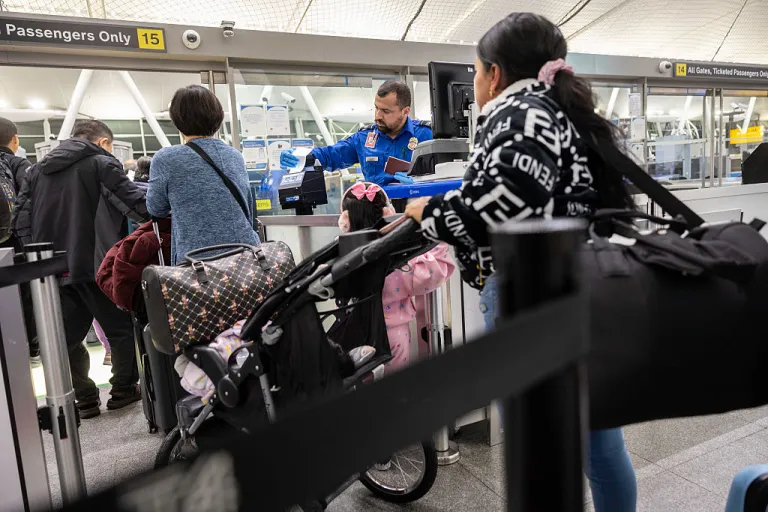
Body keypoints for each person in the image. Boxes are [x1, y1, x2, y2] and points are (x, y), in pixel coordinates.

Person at [403, 13, 637, 512]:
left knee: (539, 436)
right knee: (598, 438)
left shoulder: (519, 112)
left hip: (531, 292)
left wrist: (429, 212)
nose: (473, 83)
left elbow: (506, 203)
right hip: (578, 280)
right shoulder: (556, 109)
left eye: (475, 72)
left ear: (495, 73)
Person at [13, 120, 148, 418]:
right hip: (95, 263)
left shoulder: (36, 170)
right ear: (102, 142)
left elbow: (19, 218)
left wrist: (39, 255)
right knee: (120, 329)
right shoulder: (100, 163)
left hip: (53, 268)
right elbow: (137, 205)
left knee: (66, 337)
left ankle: (85, 397)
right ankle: (123, 390)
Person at [338, 182, 455, 372]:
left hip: (352, 335)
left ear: (345, 220)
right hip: (394, 335)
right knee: (393, 389)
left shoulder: (340, 255)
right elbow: (432, 275)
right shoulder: (396, 258)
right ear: (388, 214)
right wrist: (437, 235)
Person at [147, 85, 259, 266]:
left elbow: (155, 209)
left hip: (198, 260)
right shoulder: (234, 155)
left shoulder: (166, 158)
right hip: (246, 255)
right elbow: (248, 205)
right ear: (218, 116)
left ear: (177, 120)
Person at [280, 81, 432, 186]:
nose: (378, 116)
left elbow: (451, 173)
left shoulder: (427, 136)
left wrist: (422, 181)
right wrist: (302, 156)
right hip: (377, 214)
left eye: (386, 111)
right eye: (376, 108)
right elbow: (332, 155)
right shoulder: (364, 138)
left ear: (405, 111)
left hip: (416, 214)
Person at [0, 118, 39, 364]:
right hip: (14, 244)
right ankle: (30, 347)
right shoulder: (19, 164)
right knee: (25, 296)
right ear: (15, 139)